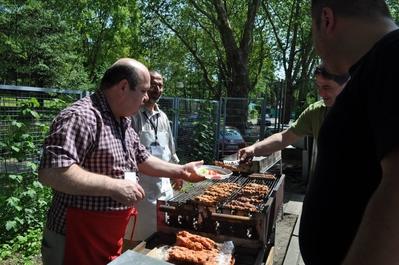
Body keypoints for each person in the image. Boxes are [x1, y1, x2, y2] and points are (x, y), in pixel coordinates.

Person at [38, 58, 205, 265]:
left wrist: (181, 171)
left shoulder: (123, 120)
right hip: (75, 236)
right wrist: (113, 186)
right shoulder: (82, 117)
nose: (146, 97)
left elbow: (143, 159)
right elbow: (52, 172)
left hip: (108, 235)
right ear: (123, 87)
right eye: (144, 90)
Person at [298, 1, 399, 264]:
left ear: (327, 20)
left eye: (313, 30)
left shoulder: (393, 54)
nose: (315, 45)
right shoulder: (374, 68)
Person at [237, 63, 349, 163]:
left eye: (326, 87)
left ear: (347, 84)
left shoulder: (364, 110)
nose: (320, 93)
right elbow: (285, 137)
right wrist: (254, 149)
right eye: (318, 86)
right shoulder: (315, 112)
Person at [124, 70, 181, 247]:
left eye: (160, 85)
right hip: (140, 189)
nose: (157, 89)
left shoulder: (163, 117)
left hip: (164, 188)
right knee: (136, 239)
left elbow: (170, 149)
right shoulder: (133, 115)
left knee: (162, 236)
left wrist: (177, 172)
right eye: (153, 85)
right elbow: (126, 153)